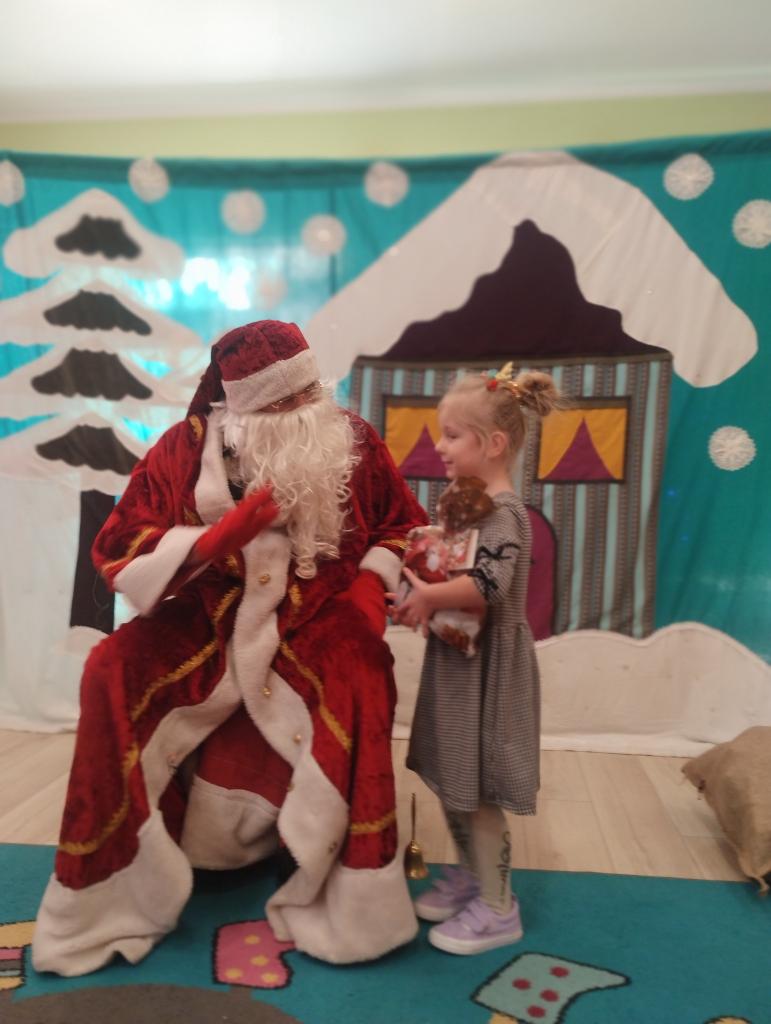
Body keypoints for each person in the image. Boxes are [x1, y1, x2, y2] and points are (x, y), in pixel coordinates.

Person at [32, 320, 428, 977]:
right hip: (204, 612)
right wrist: (211, 541)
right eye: (284, 402)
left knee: (361, 667)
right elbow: (119, 545)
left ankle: (348, 891)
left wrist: (368, 585)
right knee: (110, 667)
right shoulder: (182, 451)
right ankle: (108, 888)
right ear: (243, 408)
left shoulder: (353, 438)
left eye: (309, 394)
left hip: (319, 606)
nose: (305, 410)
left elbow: (402, 523)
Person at [389, 363, 562, 955]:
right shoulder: (470, 504)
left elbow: (488, 584)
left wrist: (427, 596)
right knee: (454, 780)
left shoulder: (505, 511)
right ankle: (474, 876)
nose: (439, 446)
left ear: (493, 444)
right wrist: (423, 594)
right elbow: (454, 573)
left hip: (491, 673)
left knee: (481, 792)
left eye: (452, 435)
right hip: (461, 663)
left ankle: (498, 907)